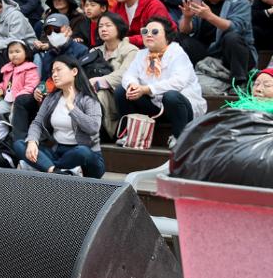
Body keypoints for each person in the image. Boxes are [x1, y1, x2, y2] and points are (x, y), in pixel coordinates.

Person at [116, 16, 206, 146]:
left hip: (180, 107)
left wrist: (146, 89)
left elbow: (178, 82)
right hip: (155, 105)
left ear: (167, 37)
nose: (149, 35)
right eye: (145, 31)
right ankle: (131, 133)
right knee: (123, 90)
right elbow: (129, 75)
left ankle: (179, 137)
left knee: (171, 96)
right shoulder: (141, 54)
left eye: (155, 32)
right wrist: (133, 85)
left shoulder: (177, 53)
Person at [16, 56, 105, 177]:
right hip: (59, 153)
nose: (54, 75)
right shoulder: (51, 98)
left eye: (59, 70)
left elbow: (93, 127)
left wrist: (71, 107)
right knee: (20, 144)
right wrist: (32, 141)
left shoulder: (88, 99)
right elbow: (37, 123)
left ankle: (44, 166)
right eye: (53, 72)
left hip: (85, 155)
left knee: (82, 152)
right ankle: (56, 171)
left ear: (74, 71)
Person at [176, 0, 257, 86]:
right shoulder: (198, 1)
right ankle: (188, 79)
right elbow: (185, 30)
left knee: (232, 37)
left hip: (232, 55)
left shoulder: (239, 0)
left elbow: (236, 27)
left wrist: (209, 16)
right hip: (207, 52)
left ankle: (239, 83)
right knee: (180, 37)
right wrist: (187, 18)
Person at [84, 12, 138, 140]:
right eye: (100, 26)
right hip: (92, 91)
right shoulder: (94, 51)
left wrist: (99, 81)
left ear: (119, 27)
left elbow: (125, 74)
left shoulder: (131, 50)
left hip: (119, 96)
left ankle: (102, 132)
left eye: (108, 25)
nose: (103, 29)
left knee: (100, 92)